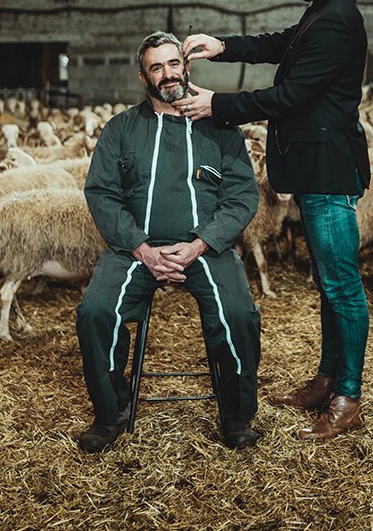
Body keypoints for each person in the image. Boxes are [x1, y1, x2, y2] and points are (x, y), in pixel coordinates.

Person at [176, 0, 370, 440]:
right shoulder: (324, 13)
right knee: (329, 285)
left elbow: (292, 96)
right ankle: (329, 380)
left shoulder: (339, 20)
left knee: (342, 286)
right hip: (315, 167)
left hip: (329, 170)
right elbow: (282, 44)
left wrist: (219, 105)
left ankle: (348, 396)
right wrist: (223, 47)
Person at [75, 31, 262, 453]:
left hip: (204, 247)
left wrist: (200, 243)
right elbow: (102, 193)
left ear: (187, 67)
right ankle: (111, 412)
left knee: (239, 315)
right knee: (95, 312)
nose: (166, 73)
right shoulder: (121, 128)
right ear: (144, 78)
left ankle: (236, 414)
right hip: (135, 248)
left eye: (173, 63)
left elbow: (241, 196)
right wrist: (142, 248)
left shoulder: (220, 128)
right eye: (155, 67)